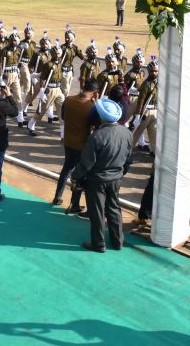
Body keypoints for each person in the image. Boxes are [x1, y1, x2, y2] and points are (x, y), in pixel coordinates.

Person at [72, 98, 133, 253]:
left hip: (97, 180)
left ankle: (99, 243)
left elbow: (86, 163)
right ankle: (118, 240)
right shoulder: (127, 133)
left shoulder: (97, 136)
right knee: (114, 208)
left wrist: (75, 177)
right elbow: (129, 159)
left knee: (97, 212)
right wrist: (120, 173)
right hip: (115, 178)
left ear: (100, 116)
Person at [53, 79, 99, 212]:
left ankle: (57, 197)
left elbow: (63, 116)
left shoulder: (68, 100)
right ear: (95, 93)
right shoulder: (91, 107)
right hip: (82, 145)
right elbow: (96, 125)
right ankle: (75, 204)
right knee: (79, 174)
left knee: (66, 170)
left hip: (68, 141)